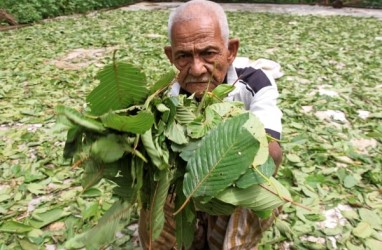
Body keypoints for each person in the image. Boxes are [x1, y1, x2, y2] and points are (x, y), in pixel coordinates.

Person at [139, 0, 283, 249]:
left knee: (263, 184)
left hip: (235, 181)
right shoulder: (165, 99)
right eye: (183, 56)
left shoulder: (254, 82)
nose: (197, 69)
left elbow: (272, 151)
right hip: (186, 186)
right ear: (170, 56)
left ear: (231, 50)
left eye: (208, 53)